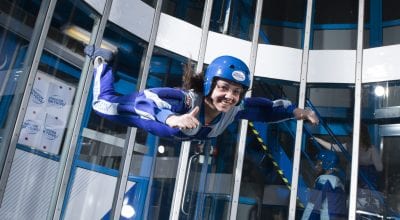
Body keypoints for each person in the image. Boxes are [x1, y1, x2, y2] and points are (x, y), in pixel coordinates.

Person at [85, 45, 319, 141]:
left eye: (236, 91)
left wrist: (301, 112)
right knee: (102, 104)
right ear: (209, 86)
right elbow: (146, 101)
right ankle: (102, 61)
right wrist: (173, 118)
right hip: (147, 112)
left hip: (170, 122)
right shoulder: (184, 101)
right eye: (223, 88)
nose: (230, 96)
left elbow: (265, 109)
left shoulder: (234, 110)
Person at [311, 123, 383, 189]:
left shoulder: (372, 149)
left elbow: (379, 168)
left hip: (366, 183)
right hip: (351, 179)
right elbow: (333, 147)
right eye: (354, 134)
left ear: (363, 135)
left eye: (357, 133)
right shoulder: (350, 145)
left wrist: (365, 167)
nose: (354, 136)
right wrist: (318, 140)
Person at [301, 150, 346, 220]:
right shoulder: (339, 181)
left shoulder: (324, 179)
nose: (316, 167)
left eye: (319, 164)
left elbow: (313, 206)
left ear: (327, 164)